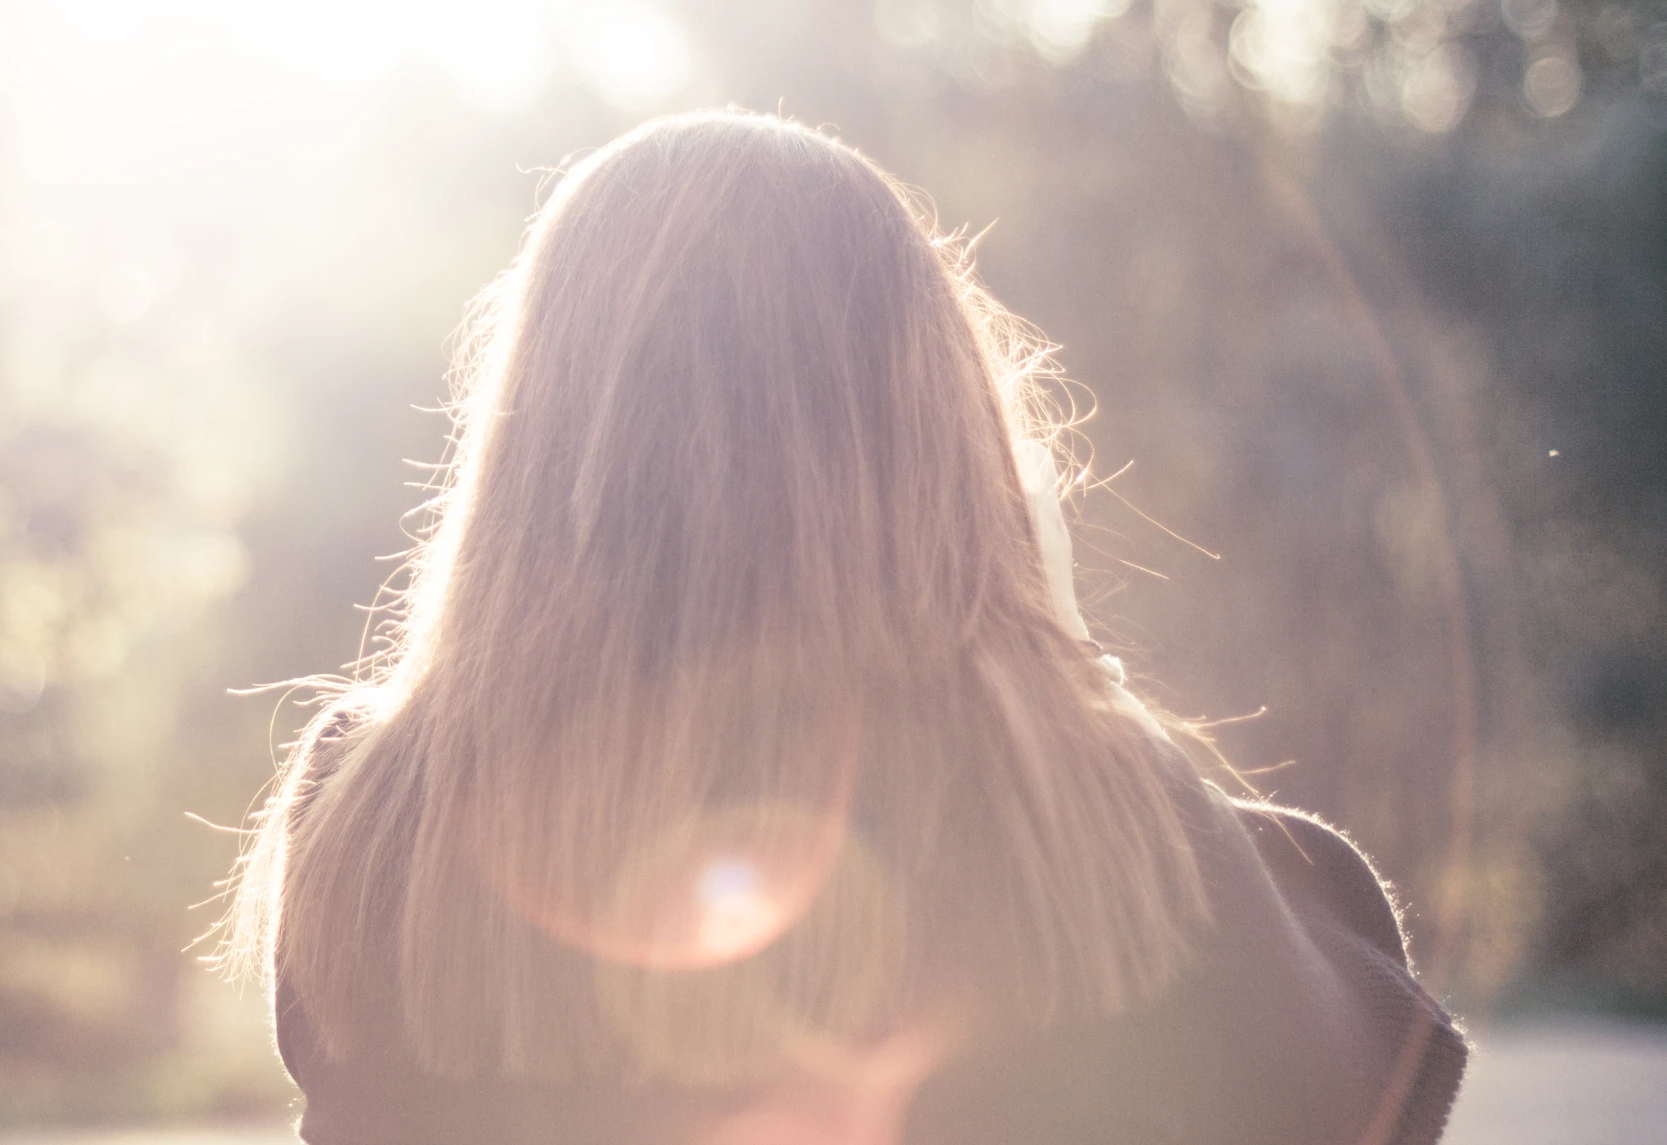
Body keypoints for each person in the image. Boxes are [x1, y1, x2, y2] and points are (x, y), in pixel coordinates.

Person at [222, 111, 1467, 1144]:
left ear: (534, 435)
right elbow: (1349, 1086)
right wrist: (1064, 665)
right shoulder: (1071, 805)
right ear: (930, 426)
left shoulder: (374, 812)